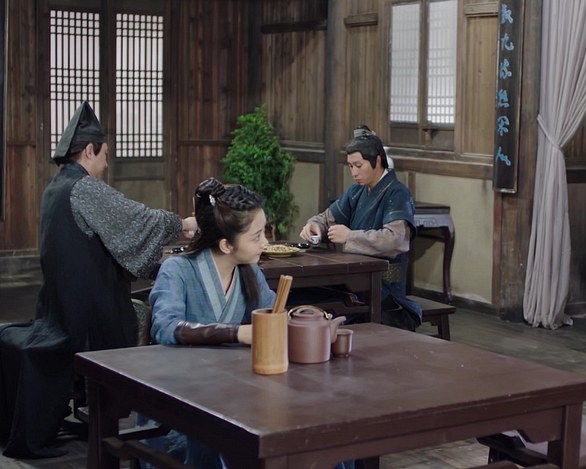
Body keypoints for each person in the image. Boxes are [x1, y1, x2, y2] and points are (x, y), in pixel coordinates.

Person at [0, 101, 197, 458]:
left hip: (57, 307)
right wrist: (181, 223)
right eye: (105, 154)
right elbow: (136, 219)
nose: (106, 163)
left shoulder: (56, 186)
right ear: (90, 150)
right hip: (86, 315)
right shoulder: (85, 188)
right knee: (149, 314)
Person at [144, 178, 276, 468]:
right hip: (178, 403)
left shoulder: (249, 271)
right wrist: (236, 333)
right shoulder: (177, 270)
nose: (265, 243)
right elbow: (165, 327)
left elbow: (272, 313)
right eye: (256, 236)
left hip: (233, 397)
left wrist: (305, 317)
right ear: (227, 244)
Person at [299, 125, 422, 331]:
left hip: (385, 287)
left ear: (377, 161)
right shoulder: (357, 191)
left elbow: (395, 240)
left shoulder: (397, 193)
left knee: (329, 305)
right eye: (350, 166)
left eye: (359, 165)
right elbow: (327, 218)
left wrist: (349, 236)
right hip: (355, 279)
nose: (354, 172)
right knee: (310, 296)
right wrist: (315, 226)